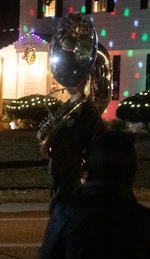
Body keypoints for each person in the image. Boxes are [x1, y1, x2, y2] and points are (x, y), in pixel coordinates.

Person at [38, 81, 104, 212]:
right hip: (57, 165)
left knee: (70, 209)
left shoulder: (87, 110)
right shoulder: (64, 107)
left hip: (73, 166)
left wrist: (86, 169)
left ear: (83, 81)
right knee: (56, 205)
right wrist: (43, 134)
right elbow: (51, 132)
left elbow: (96, 141)